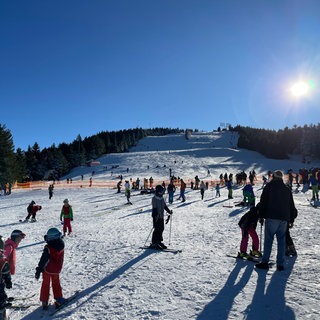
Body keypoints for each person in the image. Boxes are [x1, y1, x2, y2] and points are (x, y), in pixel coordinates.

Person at [256, 170, 298, 271]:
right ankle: (280, 264)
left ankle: (265, 262)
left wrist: (261, 215)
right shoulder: (286, 189)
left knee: (269, 240)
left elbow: (263, 202)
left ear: (273, 177)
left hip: (271, 217)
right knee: (281, 241)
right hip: (284, 219)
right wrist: (291, 219)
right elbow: (291, 205)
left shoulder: (269, 187)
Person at [35, 228, 67, 310]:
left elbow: (43, 259)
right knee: (56, 283)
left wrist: (39, 270)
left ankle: (44, 301)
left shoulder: (48, 247)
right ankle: (59, 299)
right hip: (56, 269)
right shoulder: (61, 245)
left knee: (45, 284)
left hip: (47, 270)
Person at [151, 185, 173, 249]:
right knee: (156, 229)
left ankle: (159, 241)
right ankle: (154, 242)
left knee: (161, 228)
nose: (161, 192)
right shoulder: (154, 198)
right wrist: (155, 215)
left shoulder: (162, 198)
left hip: (161, 216)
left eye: (162, 191)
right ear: (157, 191)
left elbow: (164, 206)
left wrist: (169, 211)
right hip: (156, 216)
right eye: (160, 191)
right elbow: (154, 207)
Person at [0, 236, 12, 317]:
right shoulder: (2, 259)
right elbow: (6, 272)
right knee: (1, 294)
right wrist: (8, 282)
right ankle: (2, 309)